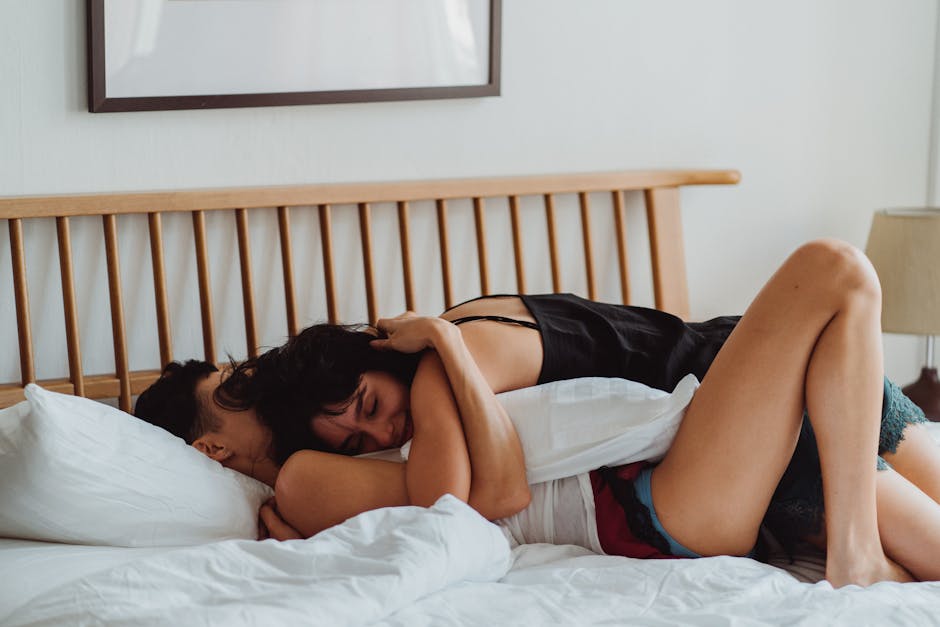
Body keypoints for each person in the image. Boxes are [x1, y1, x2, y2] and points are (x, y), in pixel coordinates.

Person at [135, 239, 940, 586]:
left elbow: (459, 491)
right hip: (725, 440)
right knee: (834, 269)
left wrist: (446, 344)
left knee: (836, 280)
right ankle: (853, 555)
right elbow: (473, 500)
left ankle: (851, 550)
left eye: (370, 409)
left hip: (756, 382)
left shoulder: (438, 372)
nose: (382, 435)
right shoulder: (412, 398)